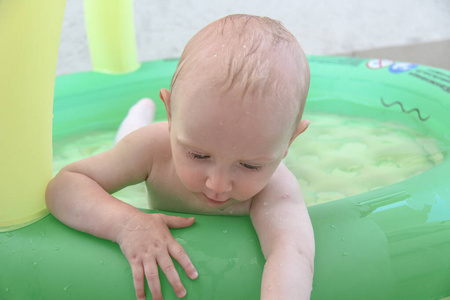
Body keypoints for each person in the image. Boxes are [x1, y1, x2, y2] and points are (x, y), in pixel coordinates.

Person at [46, 14, 315, 300]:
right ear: (171, 114)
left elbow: (292, 251)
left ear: (289, 142)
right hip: (149, 143)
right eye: (199, 155)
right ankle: (136, 119)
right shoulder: (154, 148)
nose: (218, 184)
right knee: (130, 141)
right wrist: (126, 224)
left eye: (250, 165)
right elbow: (65, 186)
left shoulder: (276, 187)